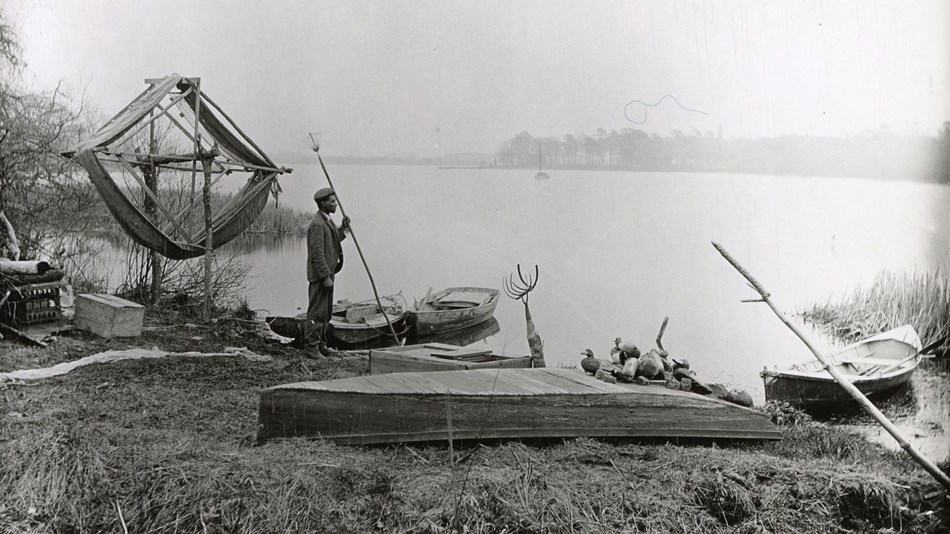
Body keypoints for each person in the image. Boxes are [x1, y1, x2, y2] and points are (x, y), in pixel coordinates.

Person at [304, 187, 350, 356]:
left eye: (335, 201)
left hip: (329, 274)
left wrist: (344, 228)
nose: (336, 204)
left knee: (326, 312)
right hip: (320, 276)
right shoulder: (317, 224)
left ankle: (321, 345)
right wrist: (324, 277)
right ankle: (311, 348)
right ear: (323, 203)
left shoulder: (327, 220)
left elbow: (334, 239)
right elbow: (316, 255)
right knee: (317, 312)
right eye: (332, 202)